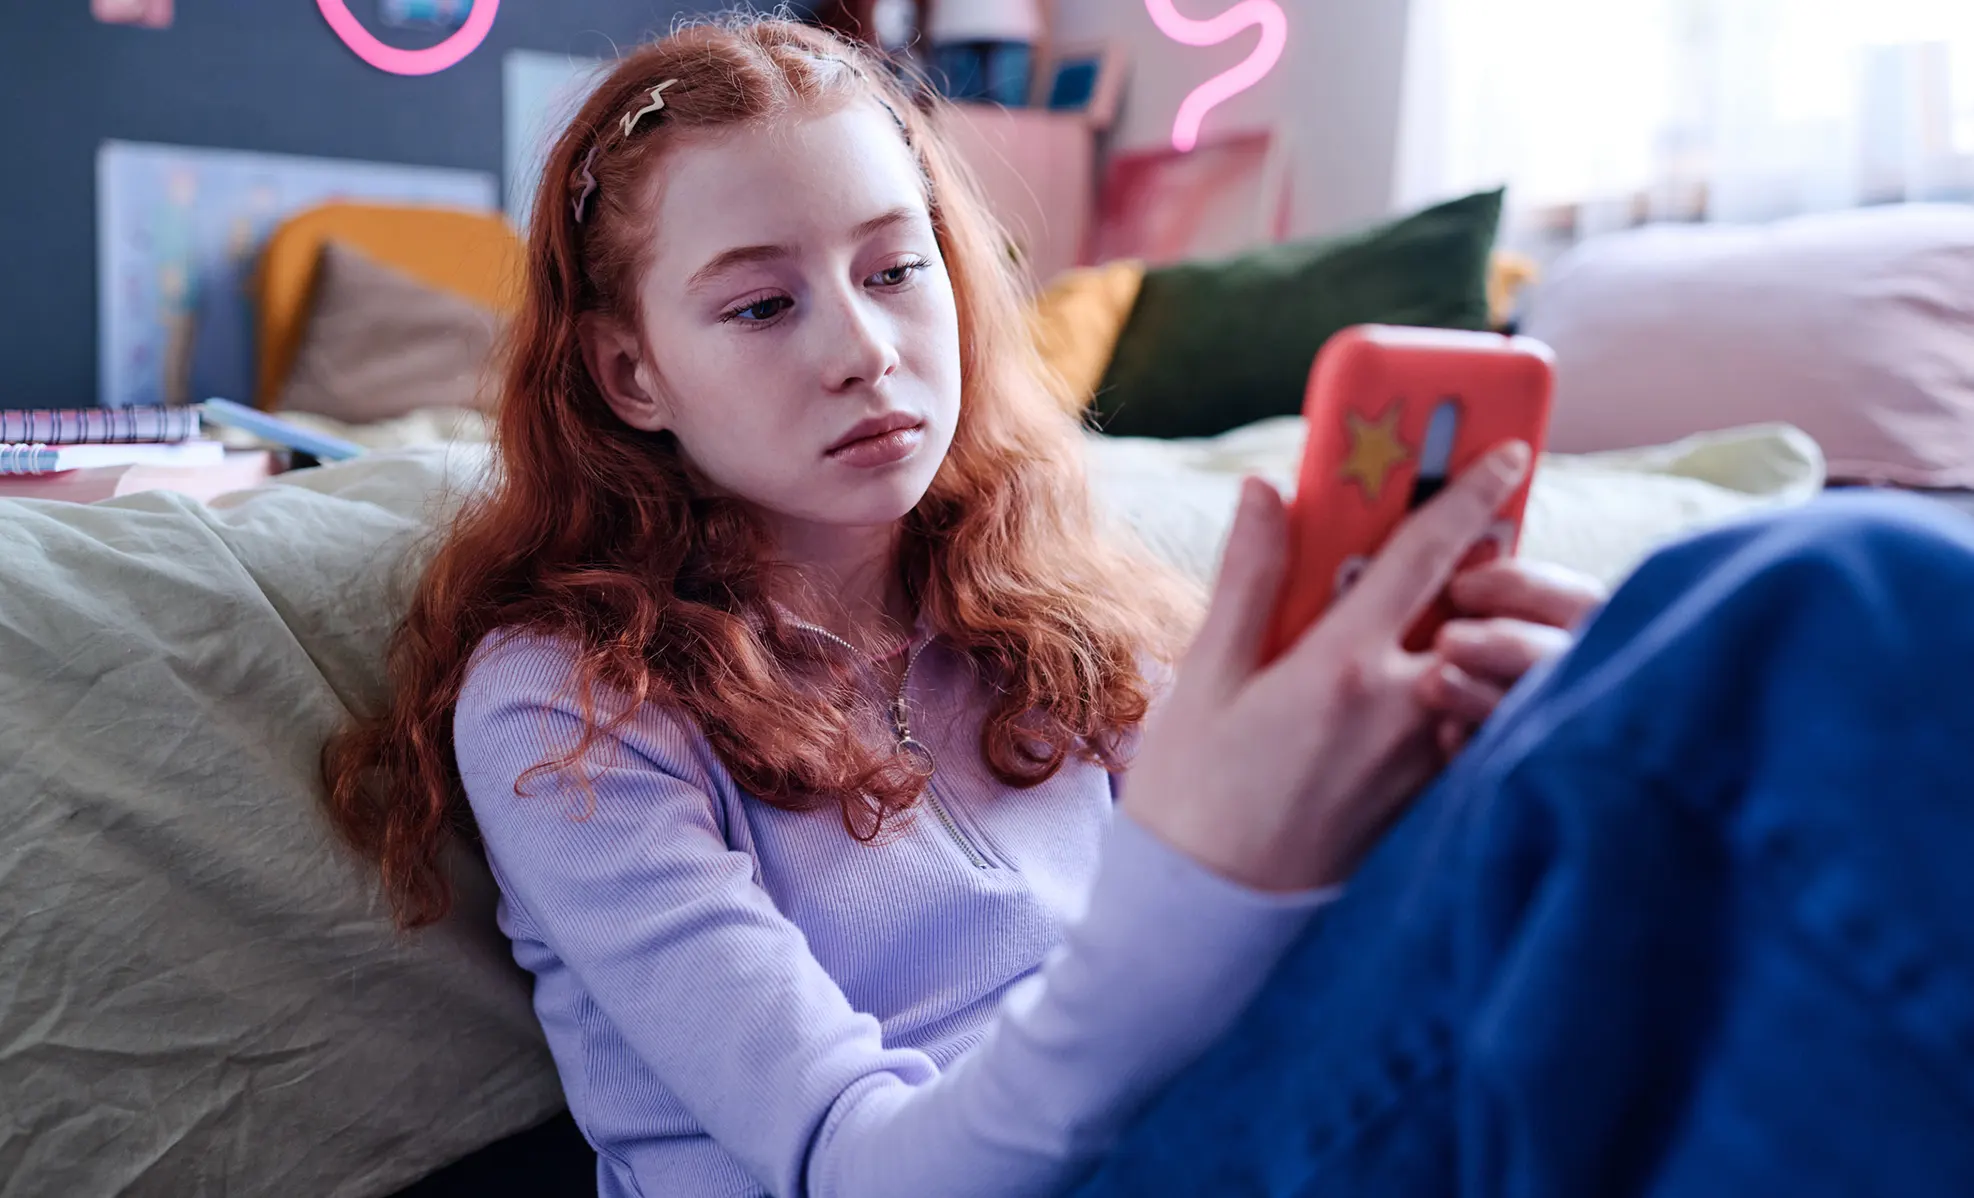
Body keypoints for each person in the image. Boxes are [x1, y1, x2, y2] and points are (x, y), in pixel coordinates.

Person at [321, 17, 1974, 1198]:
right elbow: (859, 1164)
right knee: (1834, 599)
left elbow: (1274, 968)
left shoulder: (1038, 604)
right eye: (758, 301)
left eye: (896, 269)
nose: (860, 346)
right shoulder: (567, 701)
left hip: (1235, 1117)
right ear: (627, 369)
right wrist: (1202, 859)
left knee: (1744, 654)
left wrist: (1461, 777)